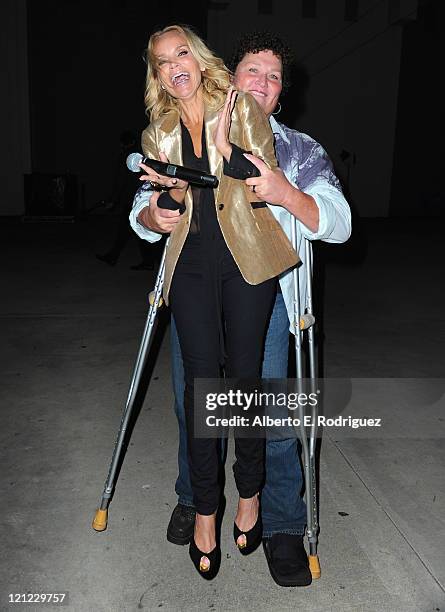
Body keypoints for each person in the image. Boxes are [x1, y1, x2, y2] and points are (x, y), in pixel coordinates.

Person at [131, 30, 351, 587]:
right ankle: (197, 500)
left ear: (283, 93)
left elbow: (339, 223)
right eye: (252, 70)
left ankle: (278, 523)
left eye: (274, 77)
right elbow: (146, 206)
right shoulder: (173, 125)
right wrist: (152, 214)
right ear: (231, 74)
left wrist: (284, 192)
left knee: (264, 408)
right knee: (195, 404)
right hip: (197, 279)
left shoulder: (299, 148)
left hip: (269, 289)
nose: (261, 82)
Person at [96, 130, 159, 270]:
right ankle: (147, 260)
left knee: (129, 229)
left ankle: (116, 257)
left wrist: (113, 199)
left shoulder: (127, 157)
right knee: (133, 229)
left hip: (132, 199)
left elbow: (121, 181)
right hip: (140, 196)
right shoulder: (142, 156)